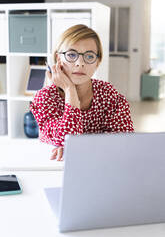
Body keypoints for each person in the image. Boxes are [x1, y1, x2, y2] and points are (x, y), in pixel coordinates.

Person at [30, 24, 134, 161]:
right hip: (57, 166)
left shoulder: (108, 94)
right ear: (58, 59)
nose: (80, 63)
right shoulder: (45, 97)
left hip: (99, 164)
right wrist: (69, 90)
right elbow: (66, 140)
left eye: (89, 56)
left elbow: (123, 142)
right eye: (71, 55)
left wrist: (78, 148)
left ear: (98, 62)